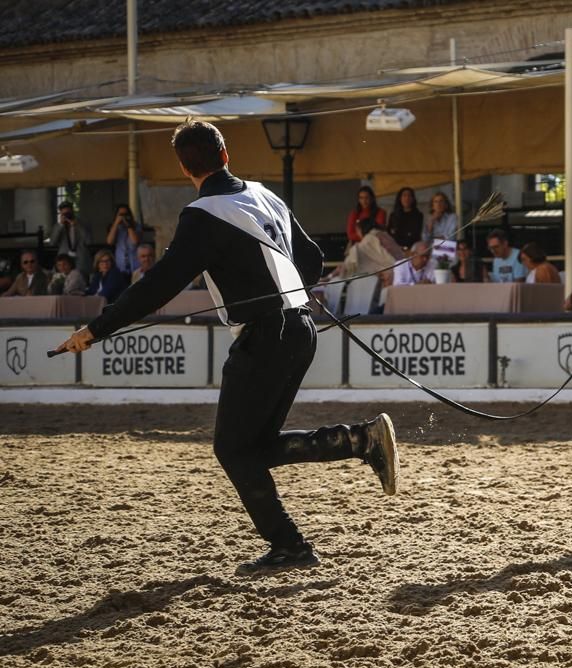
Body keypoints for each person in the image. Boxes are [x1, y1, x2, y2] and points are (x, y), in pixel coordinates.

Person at [58, 119, 398, 576]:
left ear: (184, 168)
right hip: (301, 328)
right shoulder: (264, 195)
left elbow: (158, 286)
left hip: (265, 335)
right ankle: (359, 440)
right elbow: (313, 260)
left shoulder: (202, 216)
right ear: (225, 154)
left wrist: (96, 330)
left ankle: (291, 544)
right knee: (252, 447)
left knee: (234, 451)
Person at [49, 200, 92, 278]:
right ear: (61, 214)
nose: (67, 216)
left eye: (68, 213)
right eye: (64, 214)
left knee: (80, 280)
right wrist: (60, 225)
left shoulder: (83, 223)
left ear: (73, 211)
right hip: (64, 260)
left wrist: (77, 226)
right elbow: (52, 243)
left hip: (80, 259)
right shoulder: (58, 226)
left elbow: (88, 241)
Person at [105, 203, 143, 277]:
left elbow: (135, 241)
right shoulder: (115, 228)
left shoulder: (136, 226)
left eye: (126, 214)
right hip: (120, 266)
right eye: (121, 214)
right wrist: (116, 223)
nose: (123, 217)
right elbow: (109, 241)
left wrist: (128, 225)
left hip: (135, 266)